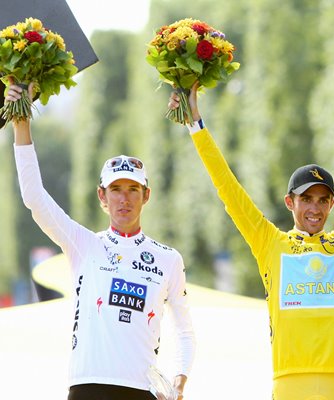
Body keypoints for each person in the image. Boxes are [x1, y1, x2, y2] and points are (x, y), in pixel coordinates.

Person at [168, 80, 334, 399]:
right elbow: (227, 188)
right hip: (288, 383)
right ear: (290, 202)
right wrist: (196, 126)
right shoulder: (270, 242)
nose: (314, 208)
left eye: (323, 200)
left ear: (332, 204)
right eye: (306, 199)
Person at [4, 81, 196, 400]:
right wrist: (21, 123)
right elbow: (34, 198)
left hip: (142, 390)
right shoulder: (84, 244)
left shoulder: (168, 259)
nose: (124, 199)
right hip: (88, 386)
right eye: (116, 190)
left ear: (146, 195)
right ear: (102, 197)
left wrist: (178, 382)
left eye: (133, 189)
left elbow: (185, 330)